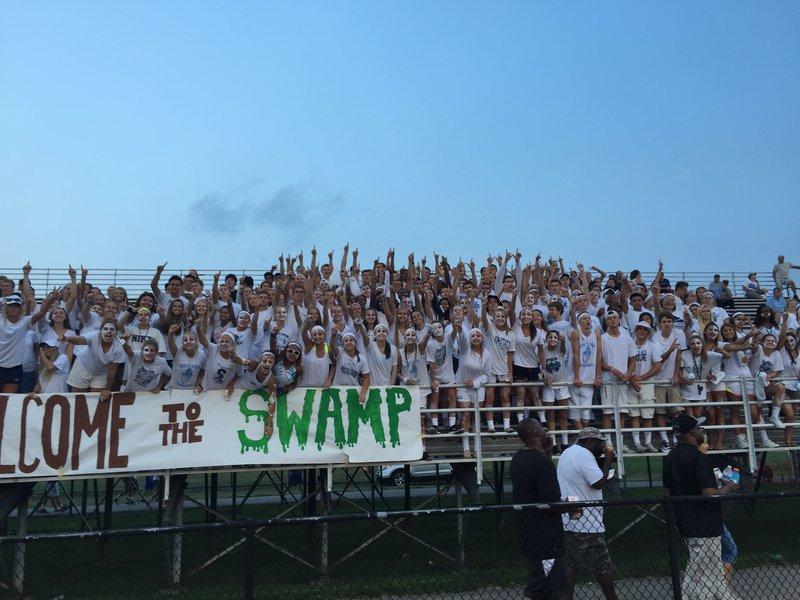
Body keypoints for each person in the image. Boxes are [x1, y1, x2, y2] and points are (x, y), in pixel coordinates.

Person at [663, 412, 739, 600]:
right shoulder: (699, 458)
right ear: (692, 431)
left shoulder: (670, 458)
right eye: (698, 427)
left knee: (706, 568)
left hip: (685, 521)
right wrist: (728, 487)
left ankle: (724, 596)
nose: (701, 430)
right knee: (702, 573)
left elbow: (666, 493)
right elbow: (710, 494)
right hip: (705, 524)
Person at [556, 427, 618, 600]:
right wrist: (607, 461)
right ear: (589, 441)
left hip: (569, 520)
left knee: (570, 567)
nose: (602, 447)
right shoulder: (584, 455)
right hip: (588, 523)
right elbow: (598, 483)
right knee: (602, 568)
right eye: (600, 443)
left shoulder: (568, 453)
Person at [510, 418, 568, 600]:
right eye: (542, 429)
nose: (545, 432)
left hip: (527, 530)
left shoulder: (518, 458)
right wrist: (569, 506)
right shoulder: (542, 463)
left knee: (543, 586)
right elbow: (550, 503)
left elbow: (535, 486)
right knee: (548, 587)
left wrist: (547, 453)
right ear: (535, 433)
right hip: (546, 537)